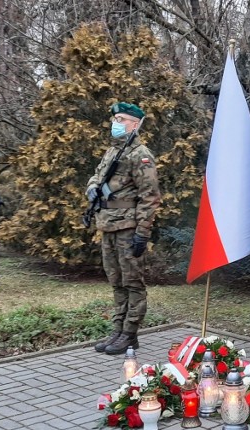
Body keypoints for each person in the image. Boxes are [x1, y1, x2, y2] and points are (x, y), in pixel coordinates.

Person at [88, 102, 160, 355]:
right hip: (108, 224)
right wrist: (92, 186)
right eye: (114, 119)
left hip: (128, 227)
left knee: (132, 283)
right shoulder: (112, 151)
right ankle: (118, 330)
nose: (115, 123)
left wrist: (142, 231)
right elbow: (97, 176)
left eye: (120, 119)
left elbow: (150, 196)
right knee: (116, 281)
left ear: (135, 124)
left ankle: (130, 333)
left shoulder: (140, 155)